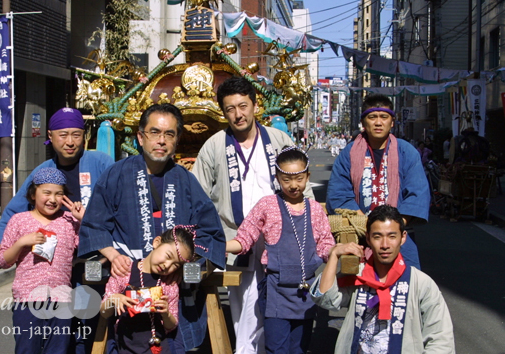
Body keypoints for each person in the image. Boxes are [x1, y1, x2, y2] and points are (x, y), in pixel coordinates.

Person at [78, 103, 226, 352]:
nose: (161, 140)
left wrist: (185, 264)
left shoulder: (186, 180)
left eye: (169, 134)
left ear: (177, 140)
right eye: (154, 132)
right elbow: (93, 224)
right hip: (128, 278)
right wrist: (112, 255)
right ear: (140, 137)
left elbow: (210, 233)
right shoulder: (116, 175)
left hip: (170, 283)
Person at [192, 76, 314, 354]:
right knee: (246, 310)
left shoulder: (278, 139)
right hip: (238, 239)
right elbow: (198, 195)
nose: (238, 114)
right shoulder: (214, 145)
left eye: (243, 105)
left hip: (282, 242)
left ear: (255, 106)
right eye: (230, 108)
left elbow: (301, 186)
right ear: (223, 112)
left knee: (282, 308)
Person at [226, 146, 335, 354]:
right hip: (276, 291)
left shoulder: (315, 210)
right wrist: (222, 246)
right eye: (286, 180)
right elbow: (245, 237)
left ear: (308, 176)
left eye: (299, 179)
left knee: (300, 349)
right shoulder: (267, 205)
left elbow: (325, 245)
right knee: (276, 348)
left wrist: (338, 252)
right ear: (277, 178)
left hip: (306, 290)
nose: (293, 185)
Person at [310, 205, 455, 353]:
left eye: (392, 236)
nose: (385, 245)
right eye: (377, 237)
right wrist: (334, 255)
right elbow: (325, 297)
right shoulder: (359, 276)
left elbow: (441, 339)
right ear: (368, 238)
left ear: (403, 237)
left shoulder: (421, 283)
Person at [0, 107, 114, 254]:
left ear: (84, 135)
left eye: (76, 135)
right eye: (63, 135)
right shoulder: (43, 171)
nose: (70, 142)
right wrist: (1, 243)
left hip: (99, 249)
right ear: (50, 135)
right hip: (55, 253)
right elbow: (13, 211)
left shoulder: (101, 163)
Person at [326, 93, 430, 269]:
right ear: (363, 122)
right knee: (358, 290)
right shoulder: (349, 154)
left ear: (392, 121)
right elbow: (338, 195)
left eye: (384, 117)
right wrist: (369, 227)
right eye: (372, 117)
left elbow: (417, 194)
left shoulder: (407, 152)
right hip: (361, 233)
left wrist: (392, 228)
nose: (378, 122)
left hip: (398, 236)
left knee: (406, 288)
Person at [0, 168, 86, 354]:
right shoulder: (18, 220)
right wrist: (21, 242)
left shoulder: (69, 221)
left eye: (59, 194)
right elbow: (3, 261)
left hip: (61, 300)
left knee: (58, 350)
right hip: (27, 298)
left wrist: (83, 220)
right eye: (47, 193)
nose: (52, 199)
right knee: (27, 349)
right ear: (33, 194)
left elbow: (88, 248)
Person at [101, 226, 198, 354]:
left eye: (175, 265)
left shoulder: (169, 284)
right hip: (125, 347)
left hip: (158, 348)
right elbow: (103, 311)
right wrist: (114, 299)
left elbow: (172, 325)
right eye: (168, 256)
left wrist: (166, 313)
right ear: (157, 242)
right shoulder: (125, 272)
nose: (167, 265)